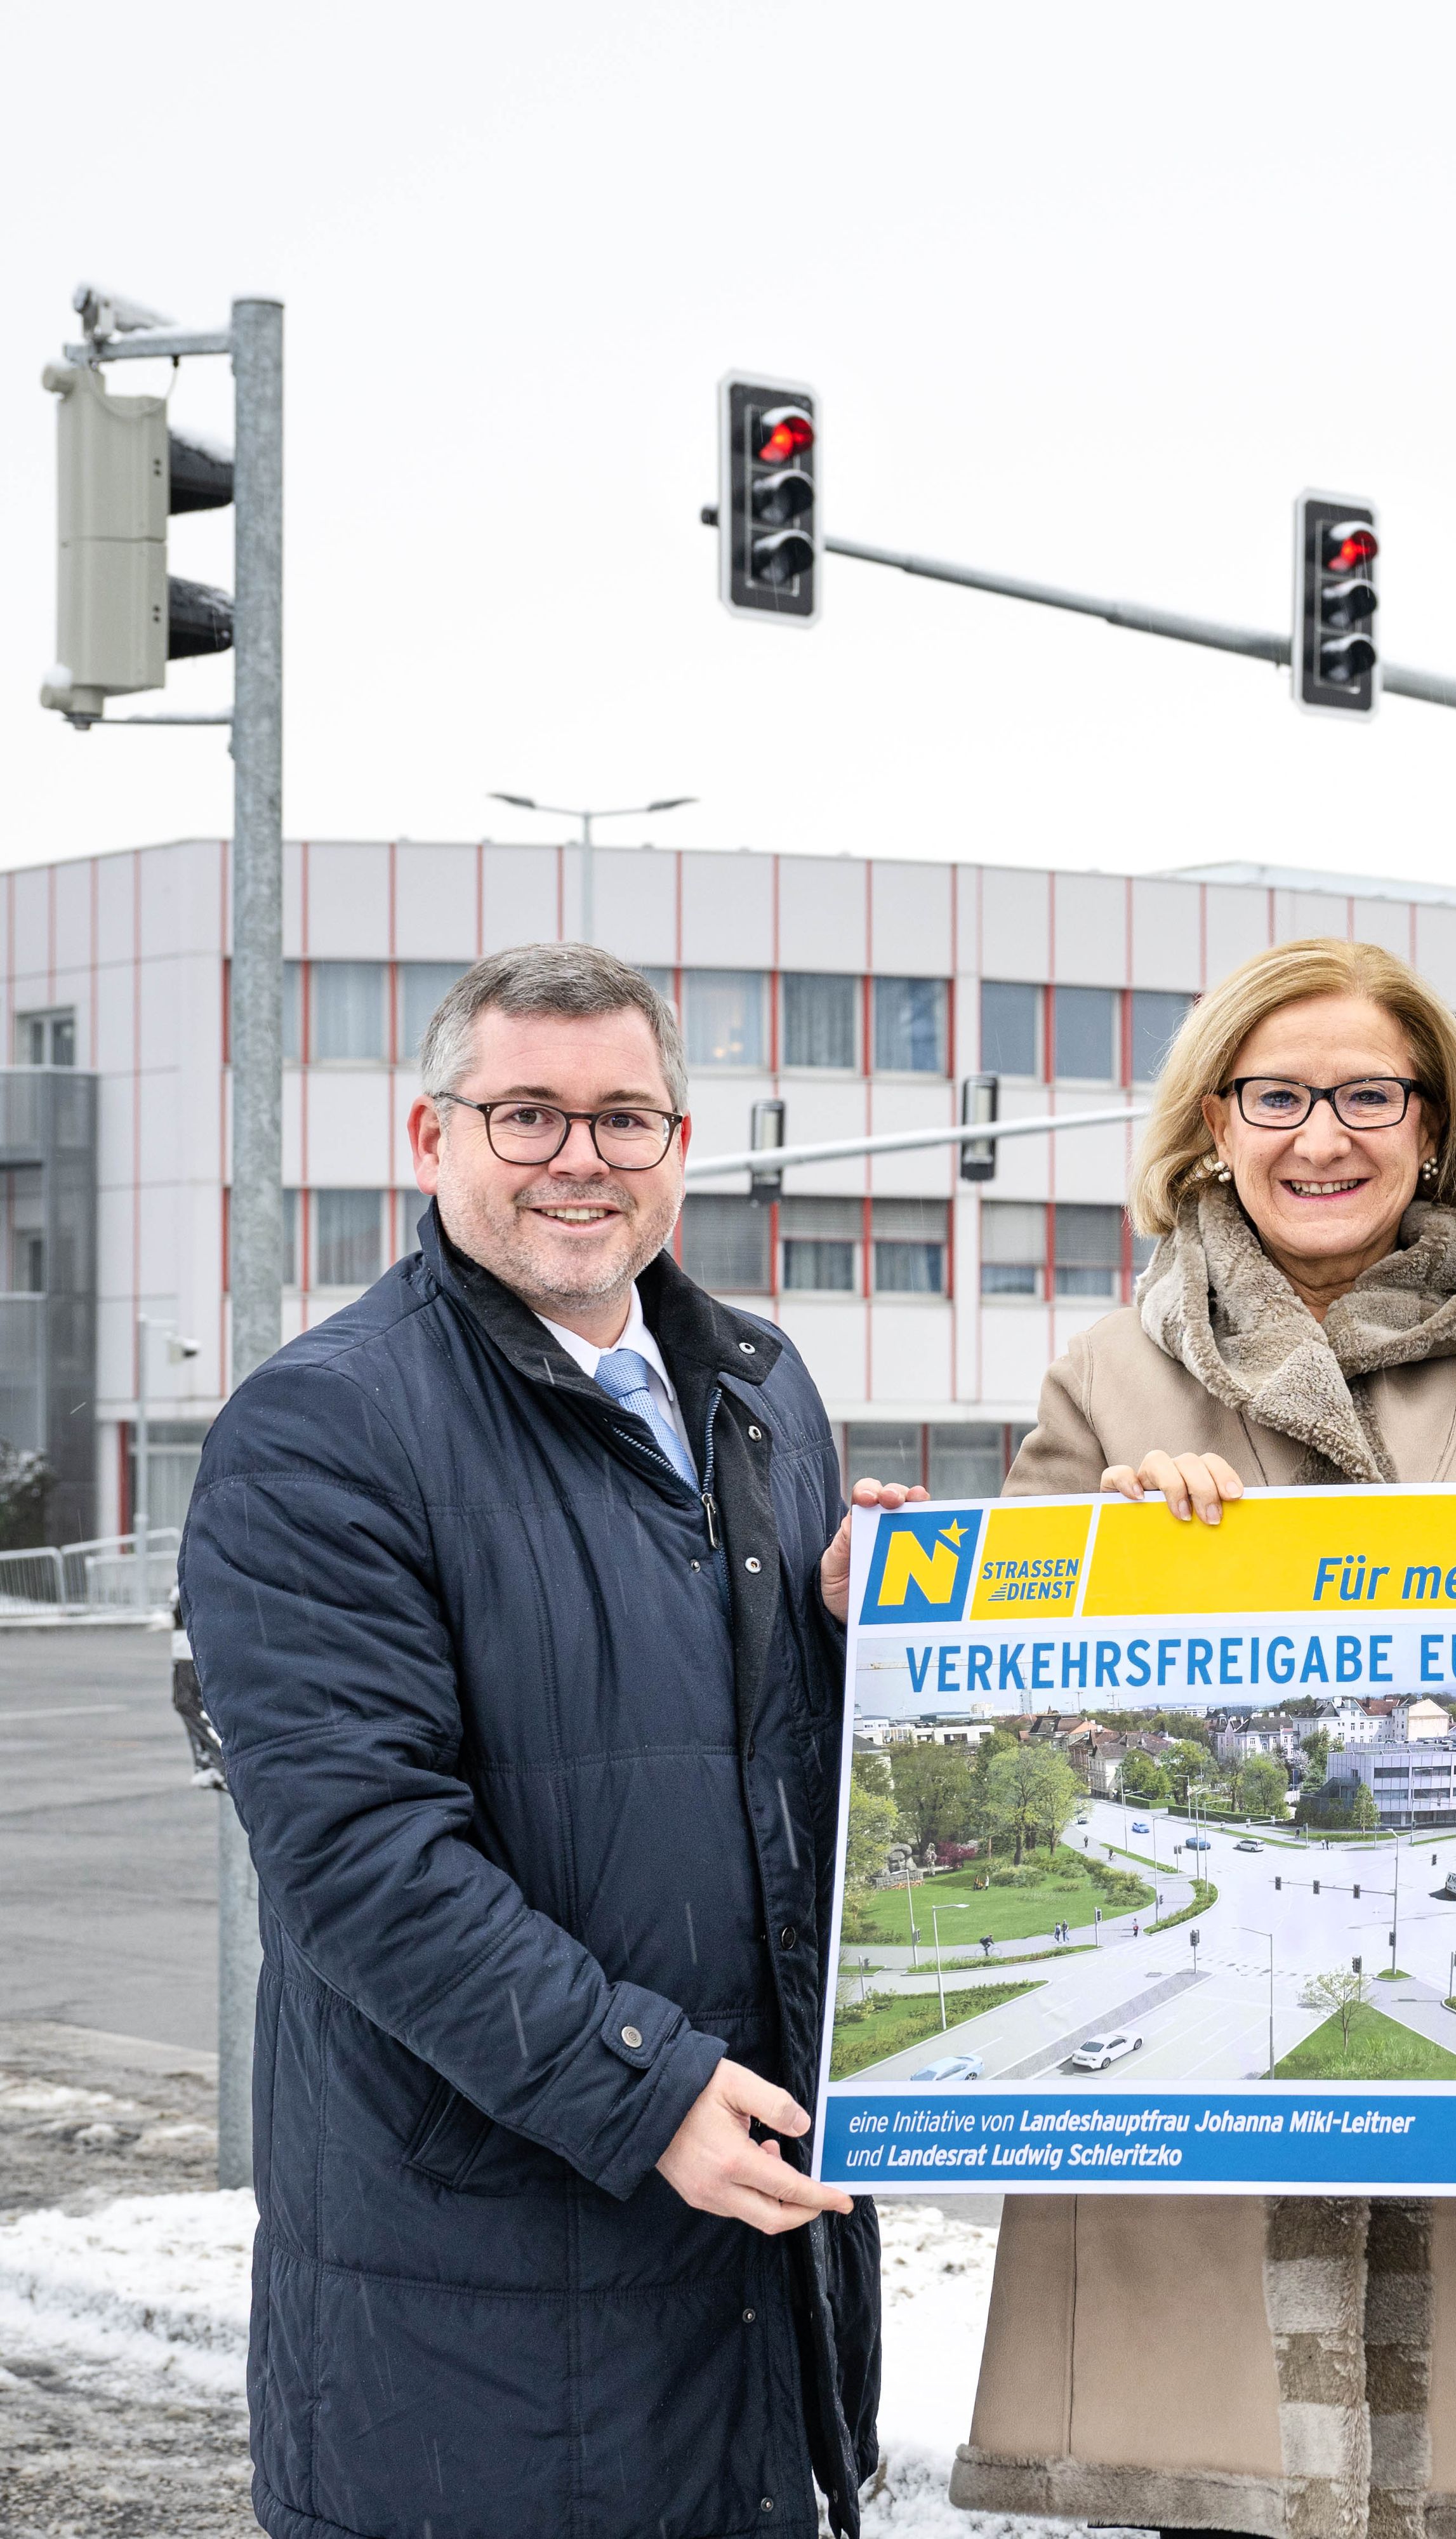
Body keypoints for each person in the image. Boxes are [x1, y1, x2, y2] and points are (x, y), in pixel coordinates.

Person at [180, 945, 898, 2539]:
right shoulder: (326, 1427)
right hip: (480, 2282)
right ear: (432, 1141)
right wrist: (641, 2092)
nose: (581, 1156)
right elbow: (358, 1859)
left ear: (680, 1151)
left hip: (752, 2250)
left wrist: (880, 1638)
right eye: (526, 1114)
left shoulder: (759, 1387)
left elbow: (766, 1777)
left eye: (624, 1117)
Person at [950, 936, 1456, 2539]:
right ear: (1210, 1124)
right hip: (1181, 2150)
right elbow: (1002, 1697)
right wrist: (1102, 1550)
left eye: (1364, 1094)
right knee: (1208, 2485)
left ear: (1432, 1129)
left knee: (1455, 2480)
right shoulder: (1108, 1375)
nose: (1317, 1135)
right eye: (1274, 1093)